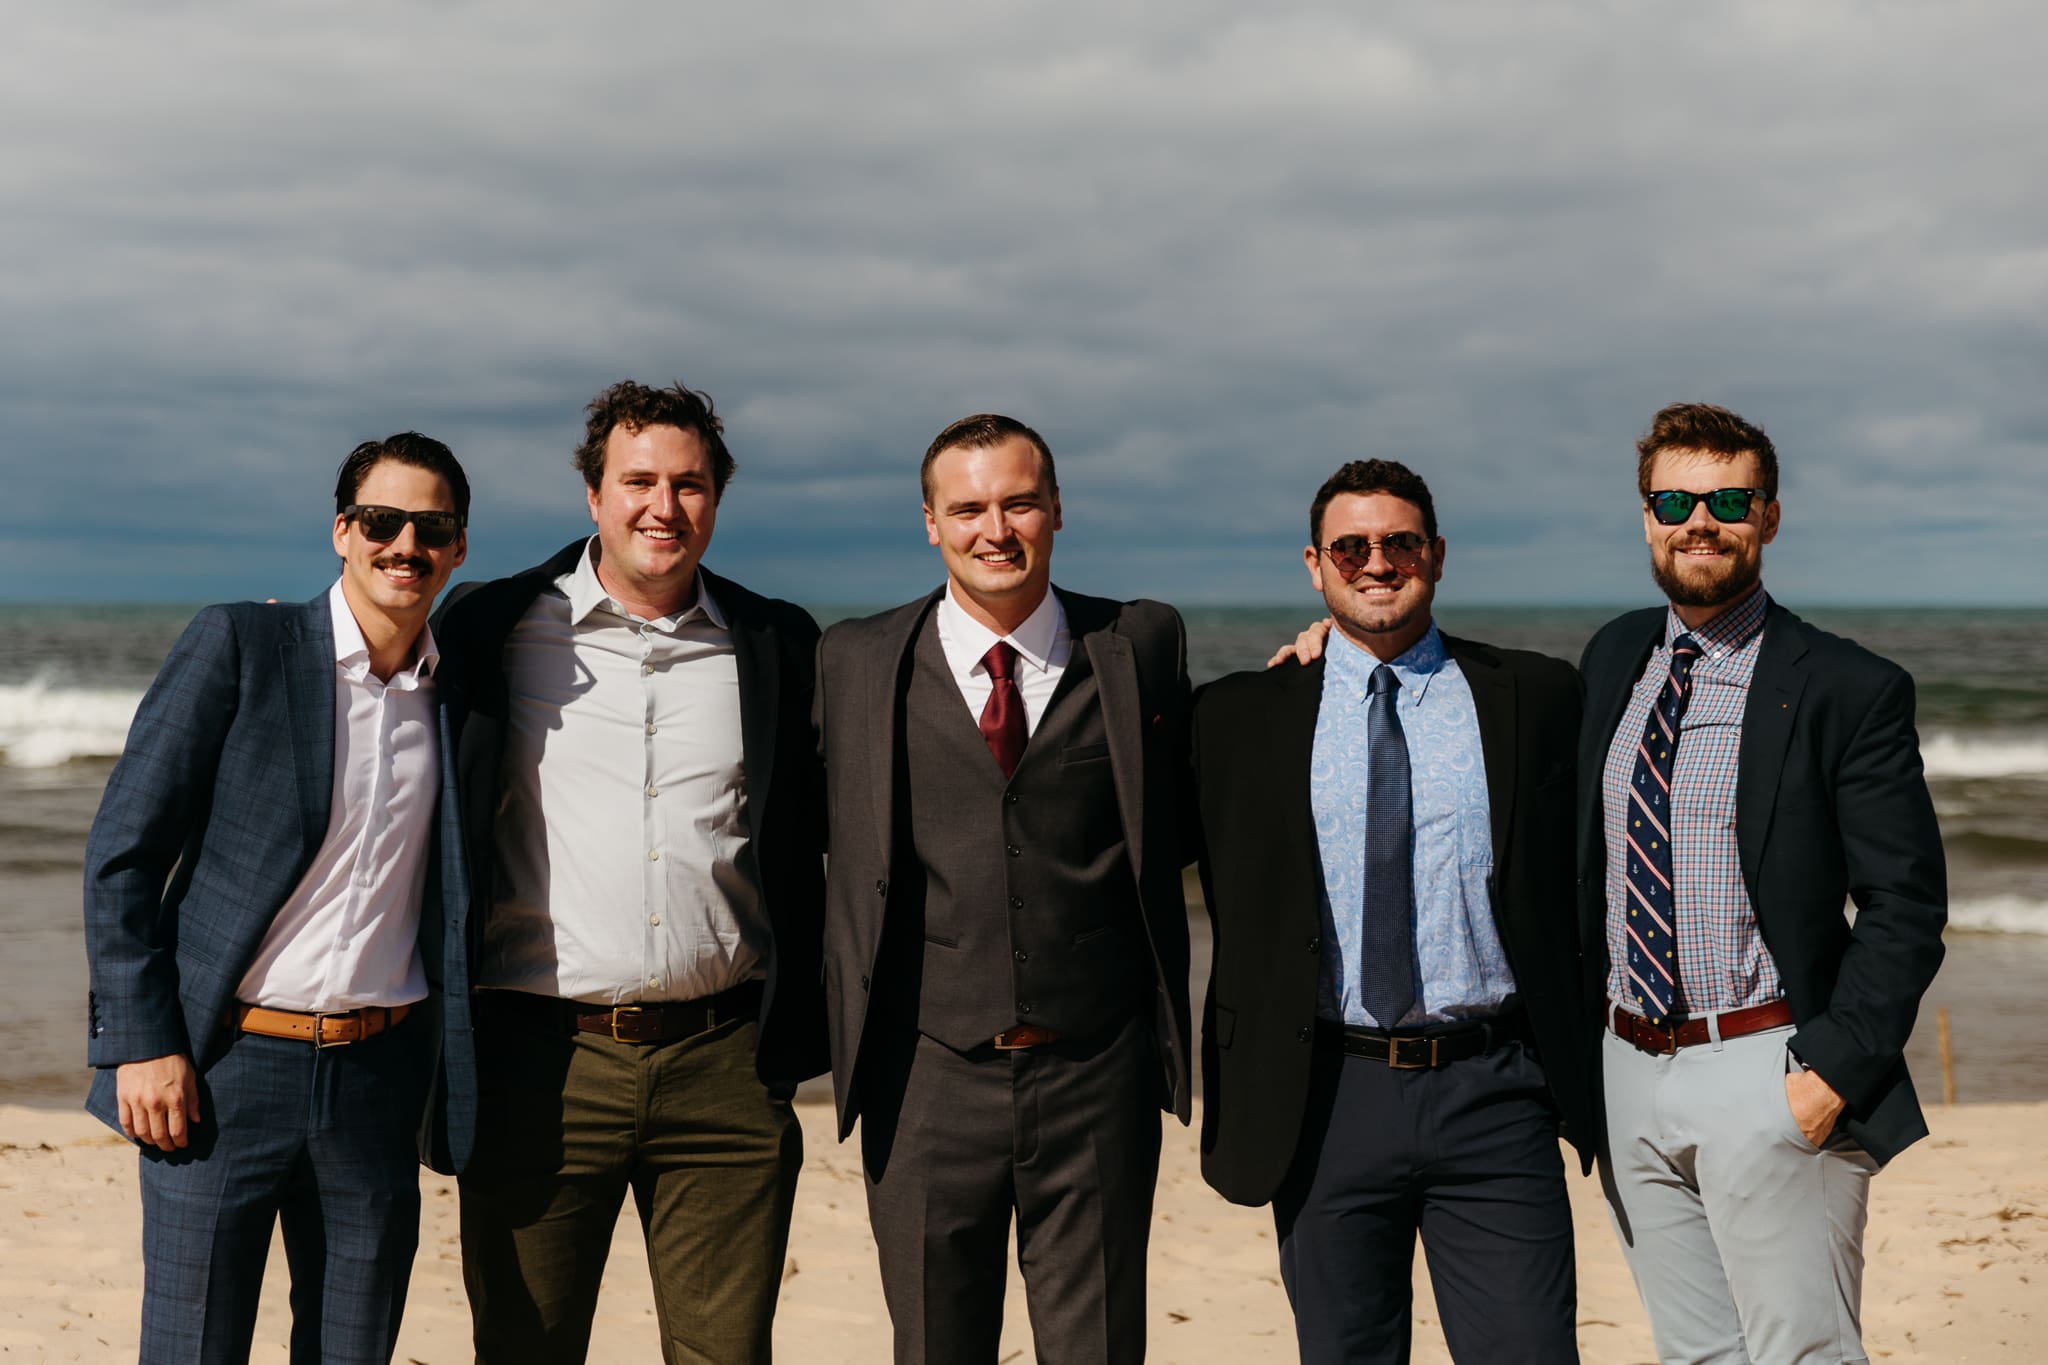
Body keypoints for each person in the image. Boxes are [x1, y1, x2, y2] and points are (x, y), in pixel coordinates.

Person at [432, 381, 827, 1365]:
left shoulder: (777, 641)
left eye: (689, 485)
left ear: (716, 500)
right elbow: (371, 714)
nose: (664, 506)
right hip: (536, 1064)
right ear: (593, 495)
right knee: (524, 1349)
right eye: (638, 480)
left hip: (724, 1071)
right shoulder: (489, 630)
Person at [83, 433, 474, 1364]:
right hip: (221, 1076)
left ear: (459, 550)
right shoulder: (242, 643)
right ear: (342, 530)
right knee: (192, 1347)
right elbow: (122, 855)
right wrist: (143, 1042)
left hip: (378, 1086)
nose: (405, 545)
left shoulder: (462, 697)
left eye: (433, 527)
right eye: (382, 521)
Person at [812, 413, 1193, 1364]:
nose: (997, 528)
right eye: (970, 507)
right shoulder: (855, 659)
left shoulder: (1139, 642)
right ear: (931, 523)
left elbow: (1204, 784)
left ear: (1056, 509)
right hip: (924, 1077)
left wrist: (1321, 657)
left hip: (1095, 1075)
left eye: (1019, 502)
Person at [1197, 460, 1589, 1364]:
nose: (1378, 562)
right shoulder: (1237, 717)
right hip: (1325, 1095)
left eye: (1400, 542)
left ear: (1437, 556)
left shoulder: (1536, 695)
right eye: (1351, 546)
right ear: (1315, 564)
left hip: (1495, 1089)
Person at [1580, 402, 1947, 1364]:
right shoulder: (1616, 655)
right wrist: (1327, 649)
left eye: (1729, 498)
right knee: (1695, 1355)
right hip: (1630, 1068)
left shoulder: (1846, 686)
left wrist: (1829, 1073)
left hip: (1770, 1065)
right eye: (1676, 499)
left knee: (1804, 1355)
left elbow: (1906, 902)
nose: (1701, 520)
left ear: (1768, 518)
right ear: (1647, 515)